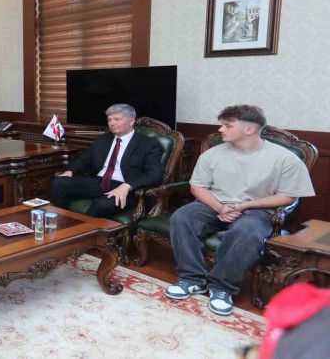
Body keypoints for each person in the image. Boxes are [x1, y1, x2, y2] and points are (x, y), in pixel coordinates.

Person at [164, 105, 315, 316]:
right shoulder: (212, 154)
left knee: (246, 232)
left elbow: (288, 197)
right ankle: (192, 278)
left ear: (249, 129)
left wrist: (245, 206)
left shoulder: (285, 158)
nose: (220, 129)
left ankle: (221, 287)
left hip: (259, 208)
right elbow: (197, 187)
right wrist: (219, 207)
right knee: (182, 218)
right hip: (216, 203)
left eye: (227, 125)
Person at [50, 103, 164, 218]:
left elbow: (155, 173)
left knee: (102, 204)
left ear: (131, 121)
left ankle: (84, 229)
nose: (112, 123)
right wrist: (71, 171)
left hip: (125, 188)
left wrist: (128, 185)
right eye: (109, 120)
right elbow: (84, 159)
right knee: (59, 182)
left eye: (117, 119)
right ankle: (61, 221)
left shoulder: (148, 144)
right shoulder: (103, 139)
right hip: (99, 182)